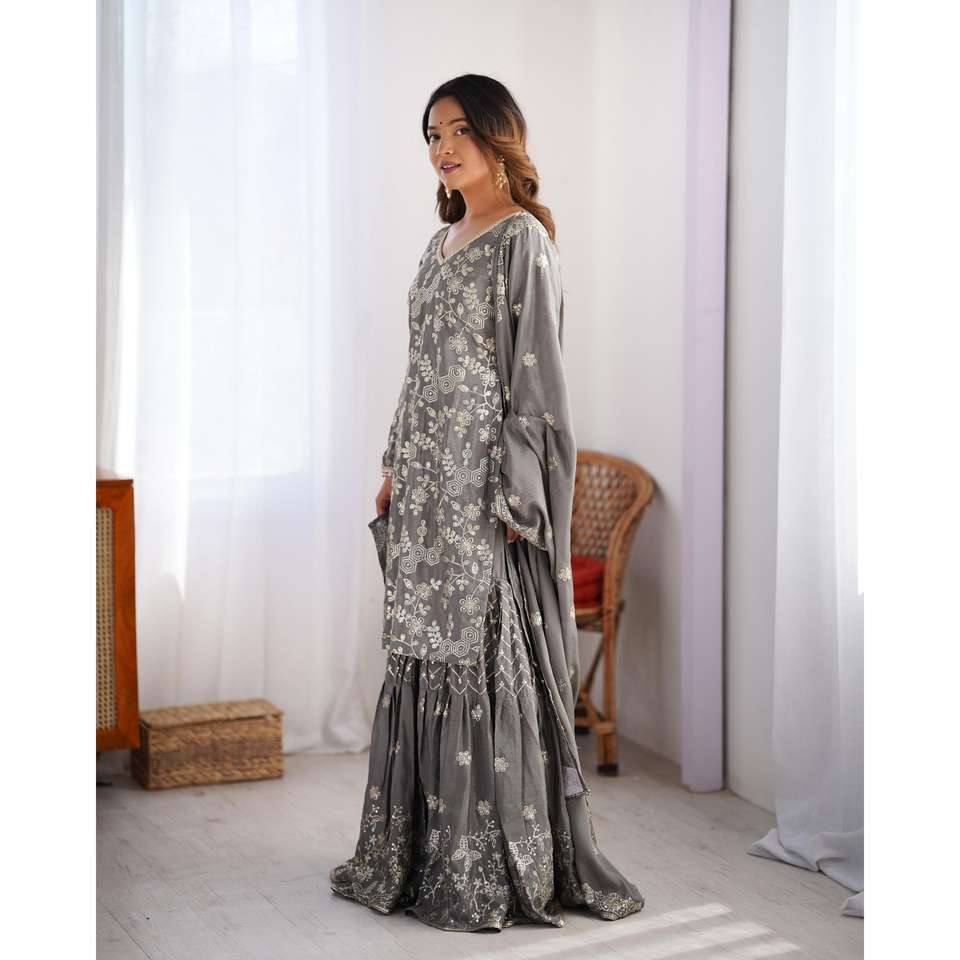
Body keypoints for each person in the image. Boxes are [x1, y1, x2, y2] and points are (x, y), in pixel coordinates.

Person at [329, 74, 645, 932]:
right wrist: (394, 460)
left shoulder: (522, 241)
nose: (442, 147)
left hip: (480, 487)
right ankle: (417, 852)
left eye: (459, 129)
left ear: (498, 135)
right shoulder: (439, 244)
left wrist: (516, 490)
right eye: (432, 133)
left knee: (477, 651)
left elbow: (537, 381)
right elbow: (421, 364)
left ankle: (485, 862)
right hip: (424, 484)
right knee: (420, 649)